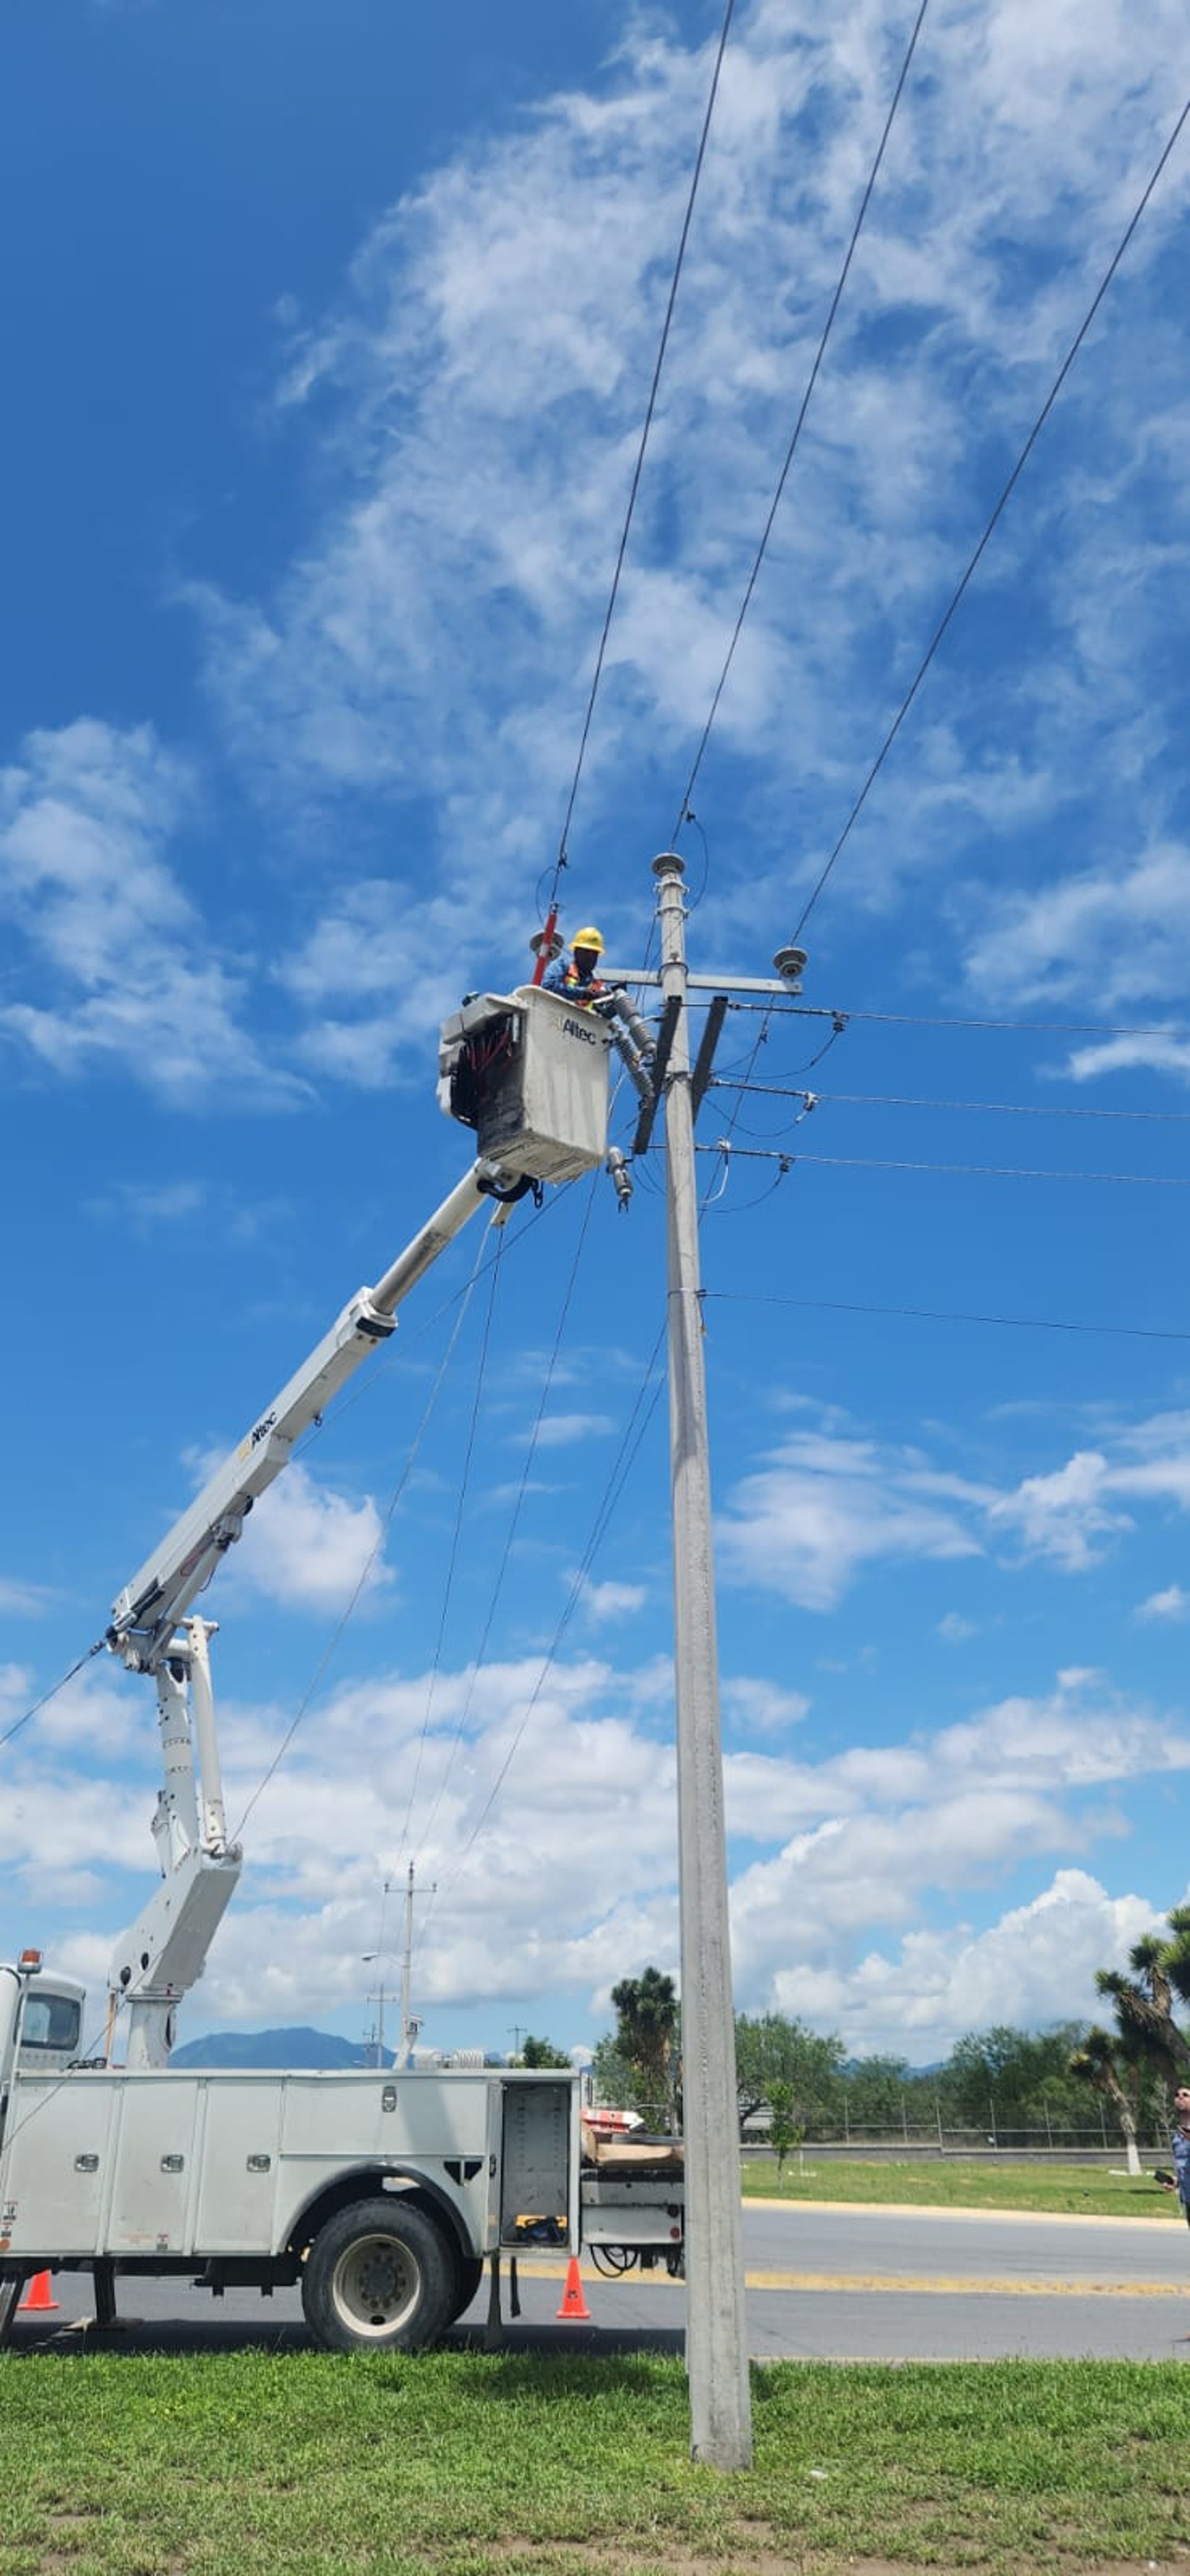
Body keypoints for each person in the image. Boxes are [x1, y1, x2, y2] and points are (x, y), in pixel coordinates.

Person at [543, 925, 607, 1007]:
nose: (591, 957)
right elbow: (548, 986)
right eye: (587, 952)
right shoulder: (562, 966)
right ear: (576, 952)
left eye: (595, 954)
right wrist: (582, 993)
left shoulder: (596, 985)